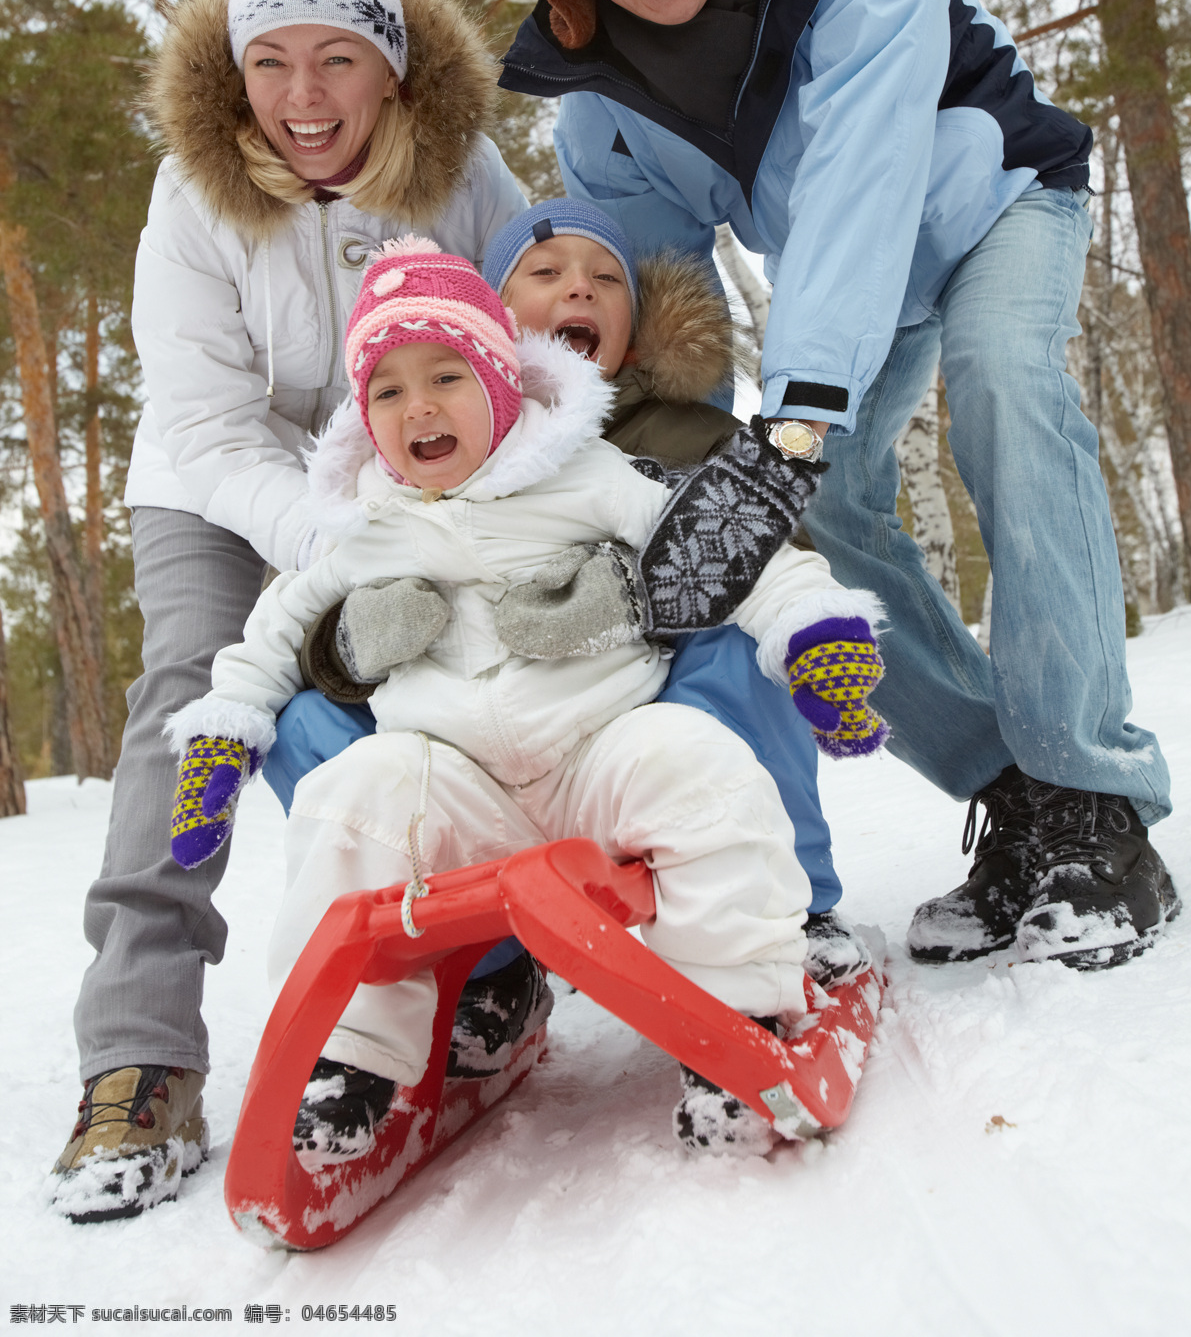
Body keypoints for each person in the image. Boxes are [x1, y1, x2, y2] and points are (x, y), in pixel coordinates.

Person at [491, 0, 1179, 976]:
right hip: (849, 292)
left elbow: (868, 175)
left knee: (1007, 394)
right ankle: (1016, 796)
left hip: (990, 206)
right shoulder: (597, 102)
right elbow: (670, 320)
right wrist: (652, 493)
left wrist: (794, 427)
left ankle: (1096, 801)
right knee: (821, 531)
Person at [166, 236, 889, 1157]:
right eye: (387, 391)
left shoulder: (582, 475)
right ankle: (351, 1056)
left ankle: (740, 1013)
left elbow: (720, 549)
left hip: (597, 753)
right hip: (458, 784)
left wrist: (815, 626)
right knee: (351, 798)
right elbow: (274, 630)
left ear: (502, 383)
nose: (417, 405)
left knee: (697, 762)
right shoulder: (365, 523)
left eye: (445, 377)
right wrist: (224, 736)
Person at [50, 0, 526, 1224]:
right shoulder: (193, 191)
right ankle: (140, 1051)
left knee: (442, 685)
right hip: (213, 479)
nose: (303, 99)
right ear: (237, 72)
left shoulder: (463, 173)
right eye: (271, 63)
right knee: (196, 696)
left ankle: (483, 960)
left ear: (390, 64)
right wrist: (321, 537)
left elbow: (518, 340)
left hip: (401, 465)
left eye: (336, 59)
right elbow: (204, 423)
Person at [273, 198, 868, 993]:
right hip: (472, 748)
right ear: (493, 311)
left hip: (626, 725)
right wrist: (351, 643)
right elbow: (309, 606)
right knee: (304, 727)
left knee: (736, 652)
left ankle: (789, 911)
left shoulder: (690, 436)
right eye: (546, 272)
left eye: (606, 279)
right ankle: (478, 967)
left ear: (634, 316)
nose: (579, 290)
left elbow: (762, 565)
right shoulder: (417, 452)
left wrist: (630, 599)